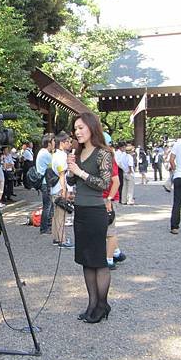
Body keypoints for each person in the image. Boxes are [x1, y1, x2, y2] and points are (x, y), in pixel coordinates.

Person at [66, 112, 113, 323]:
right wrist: (70, 171)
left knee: (98, 260)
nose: (77, 132)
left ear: (92, 128)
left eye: (81, 127)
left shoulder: (103, 153)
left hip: (95, 211)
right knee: (85, 260)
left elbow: (104, 184)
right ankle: (92, 303)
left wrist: (80, 172)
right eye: (75, 128)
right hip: (80, 211)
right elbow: (73, 182)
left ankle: (102, 304)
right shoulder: (78, 152)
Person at [102, 135, 126, 270]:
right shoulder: (108, 157)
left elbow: (116, 181)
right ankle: (116, 252)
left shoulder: (108, 159)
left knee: (110, 231)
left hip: (108, 198)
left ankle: (109, 259)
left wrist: (109, 199)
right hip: (105, 197)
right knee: (107, 228)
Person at [51, 131, 74, 248]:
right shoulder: (61, 156)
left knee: (56, 215)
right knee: (61, 216)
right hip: (60, 189)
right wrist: (65, 190)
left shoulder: (55, 155)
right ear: (62, 143)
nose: (70, 144)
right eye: (68, 142)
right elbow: (62, 174)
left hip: (54, 189)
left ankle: (56, 237)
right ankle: (62, 240)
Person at [35, 133, 55, 235]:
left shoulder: (41, 152)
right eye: (53, 142)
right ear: (49, 143)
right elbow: (54, 166)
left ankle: (47, 227)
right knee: (47, 206)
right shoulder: (46, 154)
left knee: (48, 205)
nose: (54, 143)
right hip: (45, 183)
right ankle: (45, 228)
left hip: (44, 182)